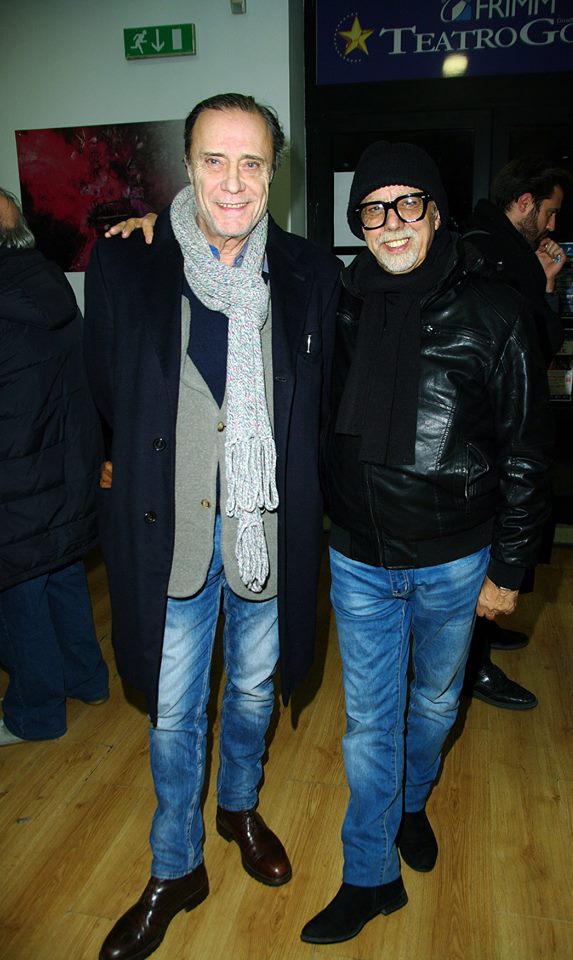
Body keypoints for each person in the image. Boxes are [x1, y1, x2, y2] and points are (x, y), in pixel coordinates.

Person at [83, 93, 341, 960]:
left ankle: (238, 807)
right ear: (188, 168)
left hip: (268, 537)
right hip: (174, 542)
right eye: (215, 160)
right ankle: (175, 865)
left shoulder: (309, 272)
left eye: (252, 162)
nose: (233, 181)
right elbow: (106, 393)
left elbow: (318, 406)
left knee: (255, 694)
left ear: (274, 173)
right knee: (172, 716)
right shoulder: (127, 264)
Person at [300, 141, 553, 944]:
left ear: (437, 213)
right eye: (374, 209)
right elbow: (248, 264)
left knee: (437, 704)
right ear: (359, 224)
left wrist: (509, 568)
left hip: (455, 560)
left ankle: (410, 804)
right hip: (359, 559)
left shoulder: (495, 312)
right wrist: (162, 232)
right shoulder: (337, 302)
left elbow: (527, 453)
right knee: (370, 723)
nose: (393, 223)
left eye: (409, 203)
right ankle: (369, 874)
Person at [0, 188, 108, 747]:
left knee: (18, 594)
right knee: (61, 573)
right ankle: (87, 679)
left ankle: (35, 712)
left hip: (15, 482)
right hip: (65, 472)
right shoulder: (48, 281)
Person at [464, 156, 572, 710]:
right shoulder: (492, 255)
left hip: (493, 430)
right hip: (491, 437)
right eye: (548, 212)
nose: (552, 225)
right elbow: (536, 348)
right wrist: (541, 284)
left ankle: (483, 634)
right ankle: (473, 665)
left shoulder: (502, 250)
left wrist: (544, 280)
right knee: (488, 543)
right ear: (524, 202)